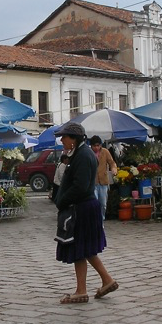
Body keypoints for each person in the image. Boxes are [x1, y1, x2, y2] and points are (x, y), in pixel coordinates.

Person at [53, 122, 118, 304]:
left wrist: (62, 200)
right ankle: (103, 281)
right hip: (85, 206)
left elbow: (79, 187)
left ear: (73, 139)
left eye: (64, 137)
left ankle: (87, 287)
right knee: (83, 249)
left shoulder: (82, 156)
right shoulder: (81, 154)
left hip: (82, 206)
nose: (62, 140)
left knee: (81, 247)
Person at [89, 135, 118, 220]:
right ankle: (95, 220)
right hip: (93, 182)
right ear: (91, 146)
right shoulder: (88, 153)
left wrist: (114, 169)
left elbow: (112, 162)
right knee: (94, 202)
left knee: (103, 204)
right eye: (94, 146)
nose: (96, 148)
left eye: (98, 145)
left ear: (101, 145)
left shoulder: (105, 152)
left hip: (103, 182)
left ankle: (101, 219)